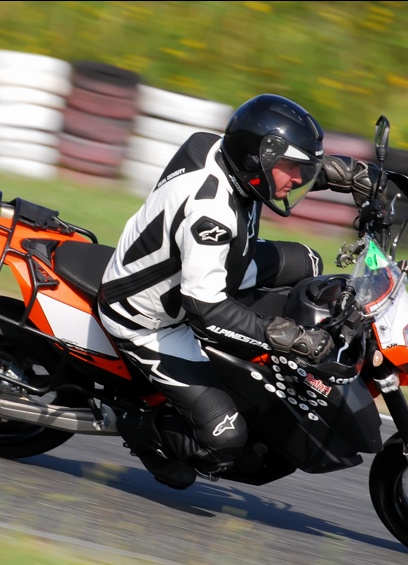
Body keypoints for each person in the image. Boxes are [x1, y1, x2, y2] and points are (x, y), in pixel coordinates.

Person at [98, 93, 385, 489]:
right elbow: (205, 309)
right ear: (254, 162)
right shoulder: (211, 215)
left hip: (215, 265)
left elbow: (269, 170)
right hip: (154, 320)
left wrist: (346, 173)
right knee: (225, 440)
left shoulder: (218, 151)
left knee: (310, 263)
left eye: (300, 169)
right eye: (291, 168)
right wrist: (290, 337)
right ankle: (141, 430)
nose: (297, 179)